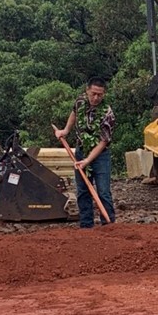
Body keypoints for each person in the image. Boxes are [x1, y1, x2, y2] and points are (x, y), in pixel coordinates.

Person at [55, 77, 116, 228]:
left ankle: (109, 227)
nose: (96, 98)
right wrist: (66, 130)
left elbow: (103, 142)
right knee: (82, 191)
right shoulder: (80, 102)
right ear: (87, 91)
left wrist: (88, 161)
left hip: (100, 156)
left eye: (100, 95)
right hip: (81, 151)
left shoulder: (108, 114)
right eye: (93, 93)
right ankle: (86, 226)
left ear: (104, 94)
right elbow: (74, 113)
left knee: (103, 192)